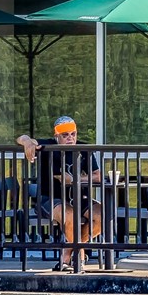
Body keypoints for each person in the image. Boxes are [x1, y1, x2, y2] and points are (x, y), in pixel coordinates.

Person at [16, 115, 100, 273]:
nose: (70, 138)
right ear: (56, 136)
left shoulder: (83, 149)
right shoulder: (47, 145)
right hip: (50, 198)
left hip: (79, 198)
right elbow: (22, 138)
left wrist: (75, 179)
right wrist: (27, 142)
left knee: (103, 215)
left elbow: (98, 175)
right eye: (65, 135)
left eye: (73, 134)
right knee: (70, 215)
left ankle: (68, 252)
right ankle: (80, 257)